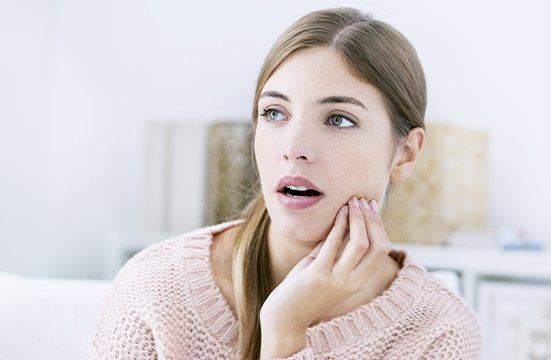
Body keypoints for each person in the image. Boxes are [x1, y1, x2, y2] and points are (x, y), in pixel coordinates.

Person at [89, 7, 482, 359]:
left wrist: (285, 332)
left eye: (338, 119)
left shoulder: (438, 333)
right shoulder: (158, 287)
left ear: (406, 154)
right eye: (275, 113)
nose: (294, 149)